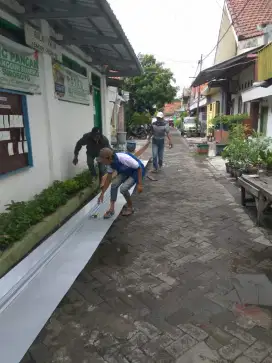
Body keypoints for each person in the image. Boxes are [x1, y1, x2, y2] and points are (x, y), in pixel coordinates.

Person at [97, 148, 145, 218]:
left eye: (103, 160)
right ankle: (111, 209)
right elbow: (108, 180)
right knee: (114, 184)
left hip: (136, 171)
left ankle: (130, 207)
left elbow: (139, 168)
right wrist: (102, 193)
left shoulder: (123, 158)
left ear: (108, 158)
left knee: (123, 189)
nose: (102, 162)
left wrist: (140, 184)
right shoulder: (109, 164)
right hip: (125, 171)